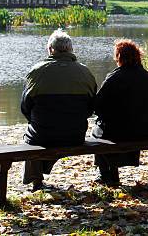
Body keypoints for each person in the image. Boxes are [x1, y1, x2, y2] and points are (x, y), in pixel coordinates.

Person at [20, 29, 97, 191]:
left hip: (43, 135)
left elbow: (25, 106)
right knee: (43, 132)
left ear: (50, 49)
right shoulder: (85, 72)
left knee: (31, 135)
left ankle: (35, 180)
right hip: (75, 134)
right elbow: (91, 107)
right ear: (71, 50)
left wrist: (34, 120)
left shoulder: (37, 71)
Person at [91, 39, 148, 186]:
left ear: (119, 57)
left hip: (121, 132)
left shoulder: (115, 77)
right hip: (146, 130)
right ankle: (112, 172)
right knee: (115, 126)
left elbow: (98, 105)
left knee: (97, 132)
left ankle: (105, 174)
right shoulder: (146, 76)